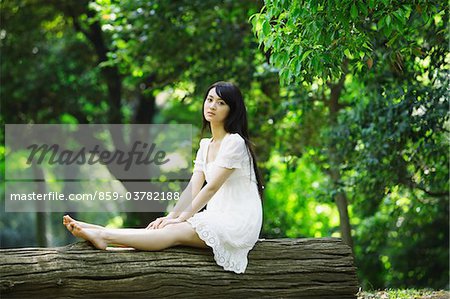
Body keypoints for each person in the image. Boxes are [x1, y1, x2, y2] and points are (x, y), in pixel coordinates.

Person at [63, 81, 264, 274]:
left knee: (173, 232)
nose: (212, 106)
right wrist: (170, 217)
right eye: (210, 99)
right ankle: (102, 233)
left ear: (232, 110)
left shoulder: (235, 143)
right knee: (165, 227)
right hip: (217, 216)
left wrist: (182, 219)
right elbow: (193, 187)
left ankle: (104, 235)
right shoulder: (205, 145)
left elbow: (210, 188)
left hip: (238, 220)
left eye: (221, 103)